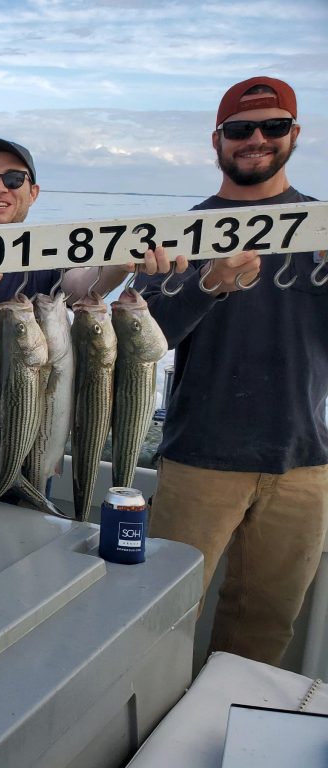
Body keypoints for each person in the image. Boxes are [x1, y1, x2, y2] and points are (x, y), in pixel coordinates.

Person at [137, 76, 327, 666]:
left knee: (266, 627)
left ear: (295, 134)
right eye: (241, 130)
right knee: (159, 618)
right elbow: (151, 337)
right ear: (217, 140)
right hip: (199, 458)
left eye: (273, 127)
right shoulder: (179, 232)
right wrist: (209, 284)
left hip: (303, 462)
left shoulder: (322, 229)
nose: (257, 140)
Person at [0, 138, 182, 494]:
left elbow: (82, 285)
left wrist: (120, 266)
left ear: (34, 191)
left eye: (13, 179)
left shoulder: (48, 252)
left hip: (27, 444)